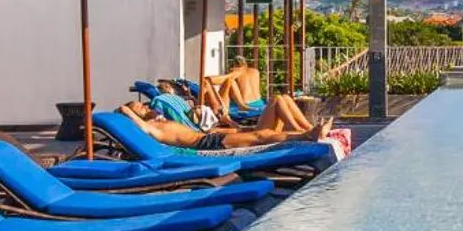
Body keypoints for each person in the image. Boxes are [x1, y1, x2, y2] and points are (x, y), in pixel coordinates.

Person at [119, 98, 331, 151]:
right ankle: (308, 135)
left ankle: (309, 132)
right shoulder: (153, 128)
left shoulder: (161, 121)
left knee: (263, 133)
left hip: (208, 137)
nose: (145, 106)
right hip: (206, 144)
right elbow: (143, 127)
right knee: (261, 136)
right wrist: (126, 110)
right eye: (140, 108)